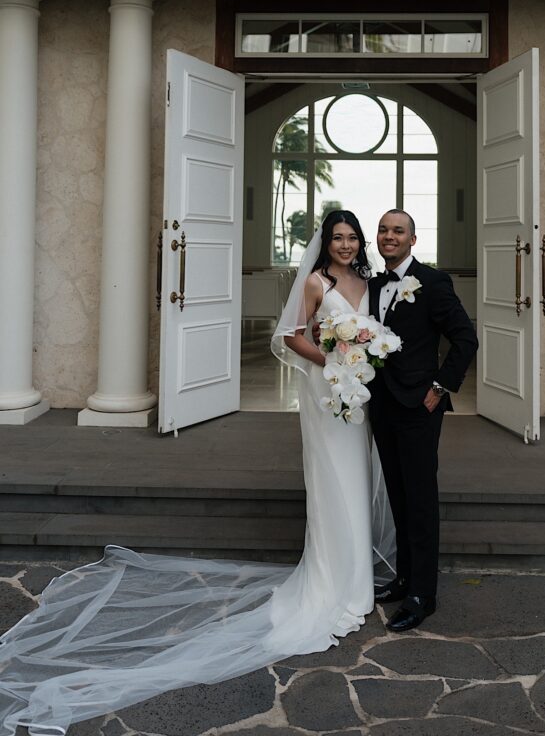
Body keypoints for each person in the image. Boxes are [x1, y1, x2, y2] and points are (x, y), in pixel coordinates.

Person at [0, 210, 392, 736]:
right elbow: (293, 336)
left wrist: (361, 358)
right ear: (325, 243)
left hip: (359, 396)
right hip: (329, 394)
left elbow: (375, 332)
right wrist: (333, 361)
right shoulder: (317, 282)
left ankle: (356, 583)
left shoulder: (368, 280)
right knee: (333, 483)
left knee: (358, 478)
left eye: (352, 238)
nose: (345, 245)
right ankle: (332, 585)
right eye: (337, 238)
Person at [369, 209, 478, 633]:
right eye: (383, 230)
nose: (389, 236)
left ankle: (422, 595)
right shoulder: (374, 285)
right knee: (397, 494)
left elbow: (465, 337)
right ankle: (403, 578)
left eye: (398, 231)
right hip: (382, 405)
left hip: (419, 407)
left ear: (413, 240)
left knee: (420, 499)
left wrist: (440, 389)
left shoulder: (433, 283)